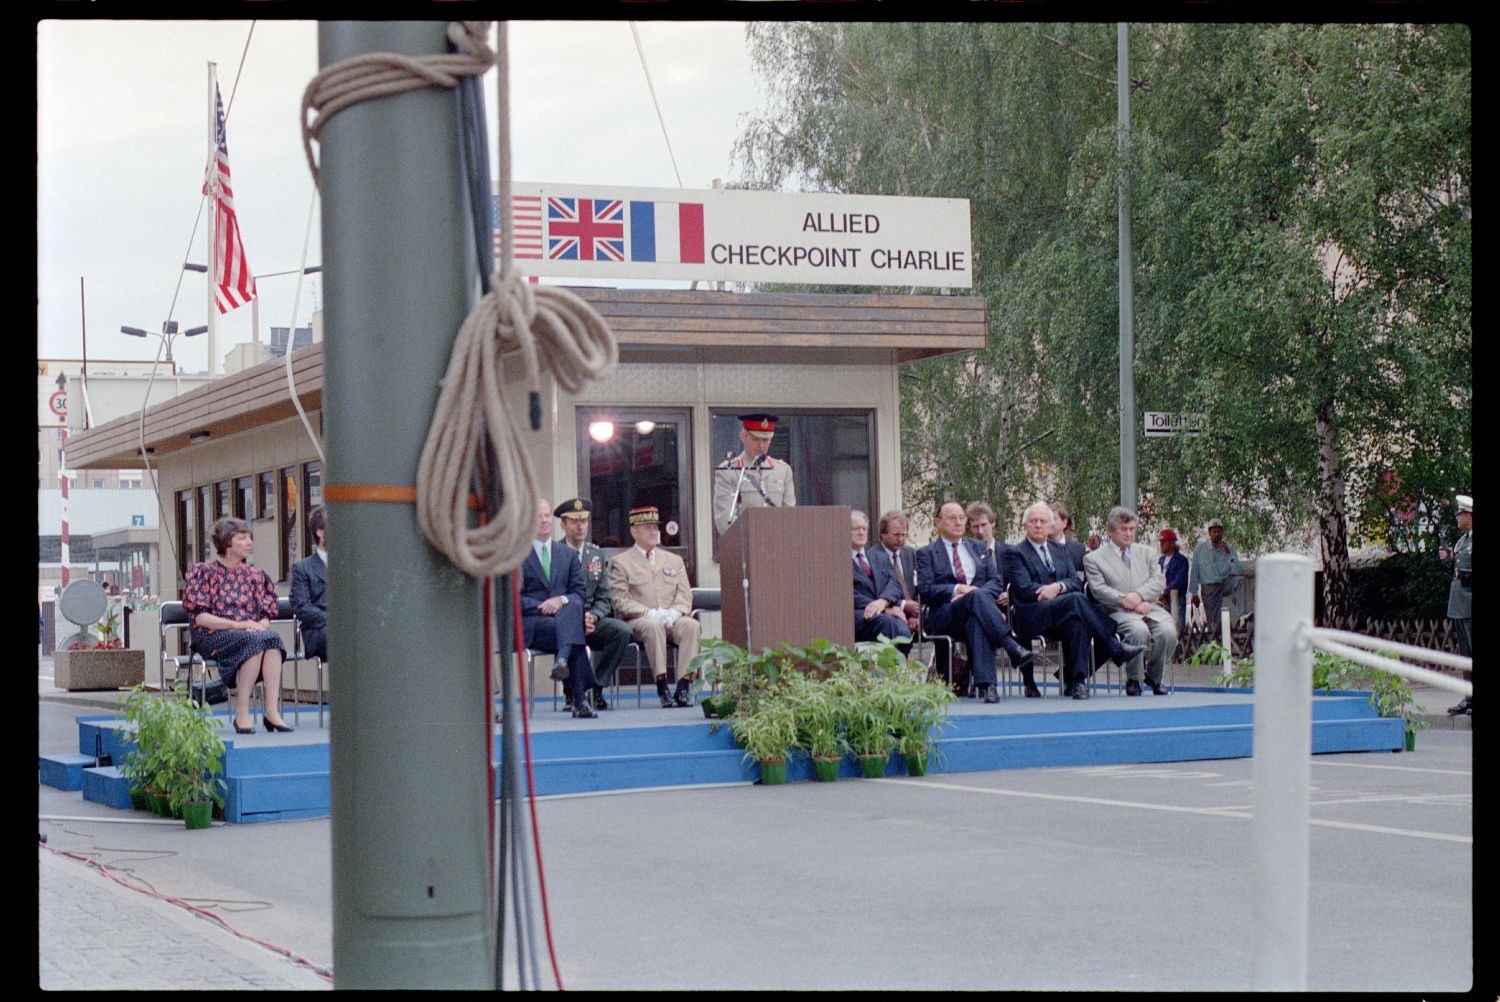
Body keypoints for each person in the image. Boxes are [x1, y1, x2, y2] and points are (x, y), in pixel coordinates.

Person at [1006, 502, 1145, 700]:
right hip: (1032, 614)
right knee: (1076, 601)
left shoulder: (1060, 550)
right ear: (1025, 525)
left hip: (1063, 612)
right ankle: (1113, 645)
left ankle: (1077, 682)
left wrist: (1058, 587)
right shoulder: (1015, 553)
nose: (1038, 525)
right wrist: (1053, 591)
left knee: (1077, 620)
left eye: (1043, 521)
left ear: (1050, 525)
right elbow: (1023, 588)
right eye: (1033, 521)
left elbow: (1074, 582)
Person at [181, 516, 294, 734]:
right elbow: (201, 618)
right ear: (227, 545)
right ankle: (242, 712)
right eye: (242, 538)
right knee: (255, 640)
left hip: (250, 634)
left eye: (249, 537)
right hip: (213, 634)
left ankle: (271, 711)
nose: (249, 542)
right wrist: (240, 625)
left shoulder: (256, 575)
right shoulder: (204, 573)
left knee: (270, 639)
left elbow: (265, 612)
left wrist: (261, 622)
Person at [916, 501, 1034, 703]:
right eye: (952, 518)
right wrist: (959, 589)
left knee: (976, 620)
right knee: (976, 600)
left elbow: (995, 583)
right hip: (946, 614)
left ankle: (987, 686)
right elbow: (926, 590)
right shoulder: (926, 553)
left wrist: (972, 595)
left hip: (975, 612)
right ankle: (1009, 644)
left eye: (962, 518)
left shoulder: (978, 547)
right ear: (938, 522)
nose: (959, 522)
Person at [608, 505, 701, 707]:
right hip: (640, 621)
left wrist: (676, 612)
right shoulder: (621, 562)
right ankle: (662, 686)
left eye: (655, 527)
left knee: (692, 626)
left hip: (671, 618)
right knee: (653, 626)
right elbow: (620, 600)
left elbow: (685, 594)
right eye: (647, 527)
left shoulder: (674, 560)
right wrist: (648, 612)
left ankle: (684, 686)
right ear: (634, 531)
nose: (653, 531)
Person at [1084, 507, 1177, 696]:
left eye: (1132, 529)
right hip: (1117, 610)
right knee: (1138, 631)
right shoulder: (1093, 558)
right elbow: (1099, 590)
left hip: (1149, 607)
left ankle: (1155, 676)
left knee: (1168, 632)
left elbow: (1158, 580)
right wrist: (1129, 600)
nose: (1128, 534)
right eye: (1123, 529)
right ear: (1110, 531)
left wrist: (1140, 596)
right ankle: (1134, 678)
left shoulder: (1147, 552)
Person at [520, 500, 598, 719]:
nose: (544, 520)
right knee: (572, 628)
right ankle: (580, 700)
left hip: (561, 623)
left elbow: (579, 593)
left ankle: (563, 662)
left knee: (570, 611)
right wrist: (543, 606)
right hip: (534, 624)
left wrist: (560, 601)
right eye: (538, 516)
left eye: (547, 516)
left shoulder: (567, 554)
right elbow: (512, 600)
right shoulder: (518, 555)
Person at [554, 497, 631, 711]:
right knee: (570, 632)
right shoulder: (555, 553)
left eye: (584, 521)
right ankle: (572, 693)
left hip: (592, 620)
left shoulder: (595, 554)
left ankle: (597, 686)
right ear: (563, 524)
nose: (580, 526)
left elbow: (604, 597)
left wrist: (594, 616)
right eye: (574, 521)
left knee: (622, 631)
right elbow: (554, 594)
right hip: (566, 619)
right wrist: (578, 618)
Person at [712, 413, 796, 534]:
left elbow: (790, 516)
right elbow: (725, 521)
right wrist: (754, 542)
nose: (761, 445)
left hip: (778, 546)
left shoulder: (783, 471)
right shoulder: (728, 472)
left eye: (765, 440)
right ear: (742, 437)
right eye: (755, 439)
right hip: (745, 547)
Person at [850, 510, 912, 643]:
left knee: (903, 632)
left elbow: (895, 584)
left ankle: (900, 664)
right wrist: (884, 609)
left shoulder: (879, 557)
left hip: (884, 609)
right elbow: (848, 594)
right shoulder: (838, 561)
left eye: (864, 528)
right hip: (860, 614)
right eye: (855, 529)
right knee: (887, 624)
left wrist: (884, 601)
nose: (861, 532)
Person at [1440, 494, 1472, 715]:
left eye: (1459, 514)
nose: (1457, 518)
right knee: (1465, 653)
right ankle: (1469, 697)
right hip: (1461, 603)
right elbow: (1456, 570)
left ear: (1469, 515)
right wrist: (1447, 561)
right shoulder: (1462, 541)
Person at [1189, 517, 1243, 632]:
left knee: (1239, 581)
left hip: (1225, 585)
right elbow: (1194, 571)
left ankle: (1240, 619)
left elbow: (1238, 570)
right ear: (1210, 533)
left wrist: (1228, 553)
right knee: (1214, 622)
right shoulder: (1200, 550)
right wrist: (1194, 593)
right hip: (1209, 588)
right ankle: (1215, 640)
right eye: (1214, 531)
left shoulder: (1228, 548)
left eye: (1219, 531)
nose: (1217, 534)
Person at [289, 504, 328, 661]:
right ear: (320, 532)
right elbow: (302, 607)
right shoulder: (302, 568)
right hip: (319, 630)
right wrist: (336, 620)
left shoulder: (350, 565)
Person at [876, 510, 921, 632]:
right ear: (882, 534)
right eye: (896, 535)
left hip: (918, 613)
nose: (900, 539)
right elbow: (878, 592)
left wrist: (915, 615)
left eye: (904, 534)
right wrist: (903, 605)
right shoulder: (873, 557)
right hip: (890, 614)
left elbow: (921, 585)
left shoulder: (912, 554)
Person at [1156, 528, 1190, 636]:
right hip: (1164, 600)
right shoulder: (1161, 560)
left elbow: (1180, 580)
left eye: (1163, 542)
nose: (1161, 545)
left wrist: (1166, 590)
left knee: (1178, 626)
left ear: (1171, 543)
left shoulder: (1181, 560)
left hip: (1177, 598)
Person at [1048, 503, 1089, 588]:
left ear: (1064, 522)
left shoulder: (1078, 549)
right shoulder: (1041, 549)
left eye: (1053, 519)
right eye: (1047, 520)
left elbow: (1082, 579)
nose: (1049, 523)